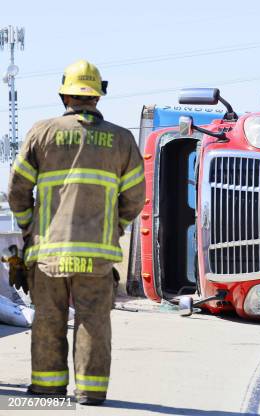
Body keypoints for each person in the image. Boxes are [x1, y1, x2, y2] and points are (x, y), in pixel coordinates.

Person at [8, 60, 146, 405]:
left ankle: (47, 386)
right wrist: (114, 228)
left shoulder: (41, 132)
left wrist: (29, 229)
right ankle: (91, 390)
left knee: (49, 319)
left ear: (64, 94)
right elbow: (135, 197)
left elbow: (17, 190)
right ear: (97, 97)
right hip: (97, 256)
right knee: (93, 321)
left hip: (48, 253)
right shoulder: (122, 139)